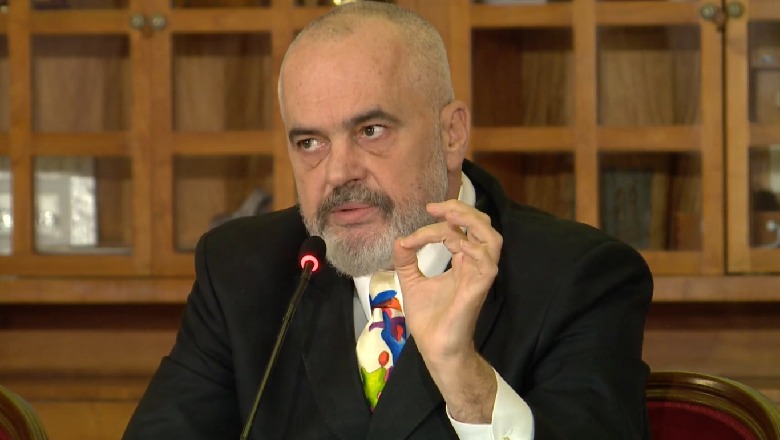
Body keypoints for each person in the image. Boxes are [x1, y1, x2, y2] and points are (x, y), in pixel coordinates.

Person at [122, 2, 653, 439]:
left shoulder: (580, 278)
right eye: (310, 142)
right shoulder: (241, 268)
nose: (338, 172)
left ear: (451, 134)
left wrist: (464, 379)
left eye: (371, 131)